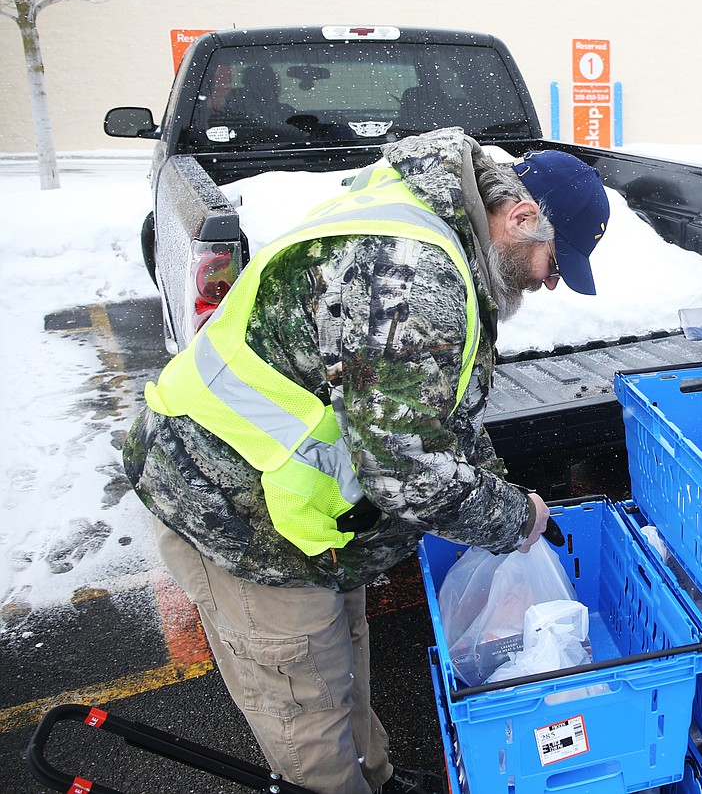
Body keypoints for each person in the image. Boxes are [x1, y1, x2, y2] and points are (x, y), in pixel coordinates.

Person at [122, 127, 611, 794]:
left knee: (343, 660)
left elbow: (429, 413)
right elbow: (407, 471)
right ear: (522, 218)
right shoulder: (415, 273)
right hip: (232, 504)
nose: (552, 282)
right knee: (308, 708)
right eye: (556, 262)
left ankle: (375, 779)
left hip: (304, 507)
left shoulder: (442, 229)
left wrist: (494, 485)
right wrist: (511, 518)